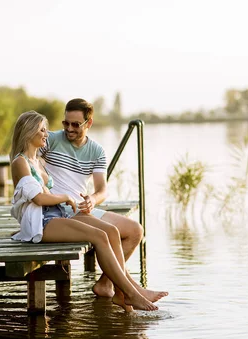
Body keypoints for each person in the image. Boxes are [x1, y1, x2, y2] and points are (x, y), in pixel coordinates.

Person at [10, 110, 158, 312]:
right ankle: (130, 293)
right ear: (29, 133)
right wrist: (66, 197)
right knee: (98, 236)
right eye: (42, 130)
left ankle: (122, 294)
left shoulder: (39, 161)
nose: (47, 134)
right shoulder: (20, 162)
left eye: (45, 130)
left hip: (58, 215)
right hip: (41, 223)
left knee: (111, 232)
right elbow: (38, 198)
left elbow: (46, 191)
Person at [39, 98, 168, 306]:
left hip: (82, 208)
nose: (69, 129)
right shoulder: (50, 140)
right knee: (109, 232)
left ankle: (106, 284)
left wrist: (92, 199)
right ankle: (132, 290)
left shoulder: (97, 151)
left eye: (75, 124)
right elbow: (26, 158)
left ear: (88, 123)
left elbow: (102, 190)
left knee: (135, 230)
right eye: (66, 123)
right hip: (59, 211)